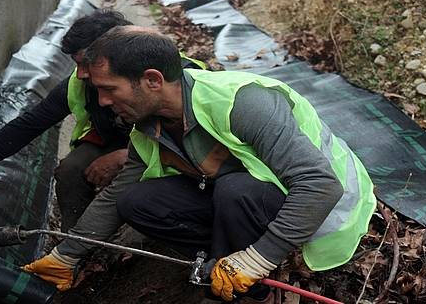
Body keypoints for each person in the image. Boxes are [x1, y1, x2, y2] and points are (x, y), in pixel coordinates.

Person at [23, 26, 376, 302]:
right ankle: (223, 264)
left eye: (109, 89)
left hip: (321, 211)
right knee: (137, 202)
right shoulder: (149, 123)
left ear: (152, 80)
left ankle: (256, 292)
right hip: (253, 201)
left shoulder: (242, 102)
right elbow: (118, 193)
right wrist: (66, 255)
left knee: (235, 190)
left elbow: (322, 184)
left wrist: (259, 257)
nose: (101, 101)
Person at [0, 12, 206, 232]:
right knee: (72, 169)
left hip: (176, 156)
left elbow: (201, 146)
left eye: (86, 63)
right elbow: (29, 124)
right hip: (120, 144)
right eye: (76, 64)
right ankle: (79, 241)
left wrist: (125, 156)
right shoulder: (80, 85)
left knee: (134, 197)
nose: (80, 74)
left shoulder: (179, 78)